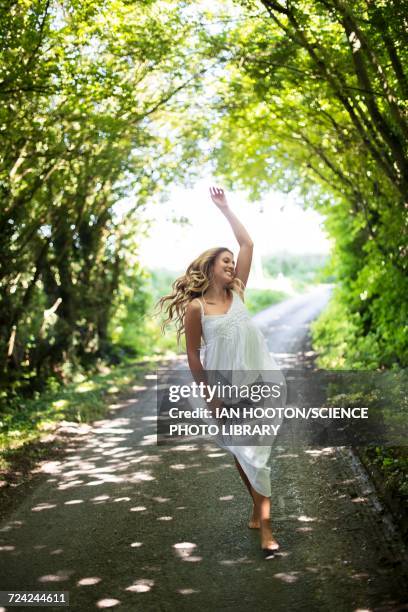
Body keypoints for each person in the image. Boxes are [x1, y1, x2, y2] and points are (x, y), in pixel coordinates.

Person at [158, 186, 286, 559]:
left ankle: (267, 528)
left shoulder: (240, 292)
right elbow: (194, 358)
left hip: (261, 384)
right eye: (225, 262)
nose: (232, 265)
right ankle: (256, 508)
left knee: (257, 454)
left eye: (233, 262)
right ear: (211, 267)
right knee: (242, 451)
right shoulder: (196, 308)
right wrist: (210, 396)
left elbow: (248, 244)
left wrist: (226, 209)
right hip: (225, 391)